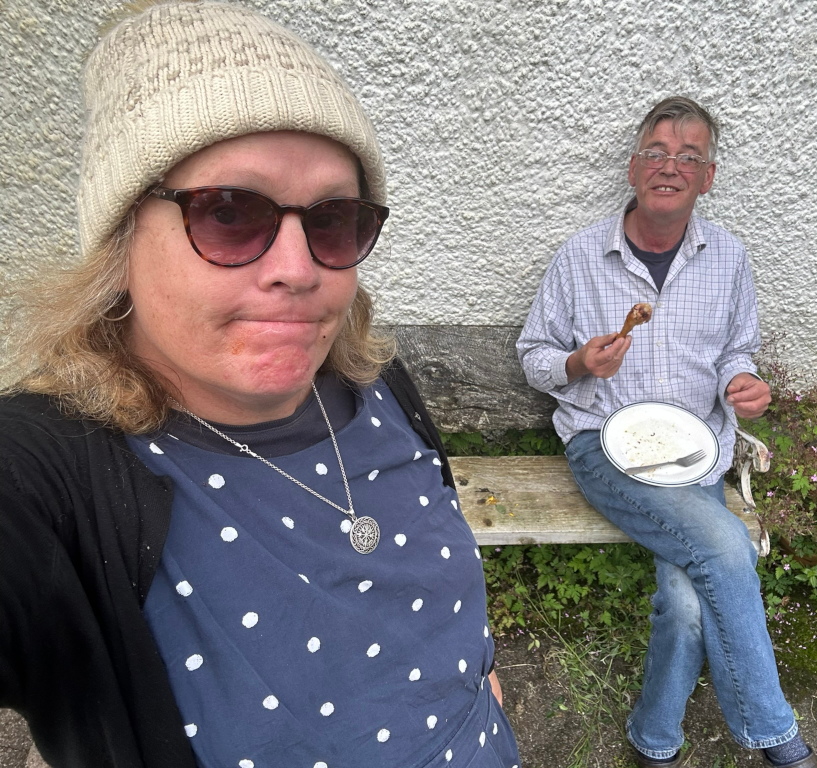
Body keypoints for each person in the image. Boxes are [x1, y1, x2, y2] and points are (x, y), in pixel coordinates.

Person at [0, 4, 520, 768]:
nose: (298, 268)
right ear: (120, 240)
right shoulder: (56, 475)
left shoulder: (375, 384)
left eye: (334, 220)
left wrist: (480, 682)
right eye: (231, 213)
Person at [517, 97, 817, 768]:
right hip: (603, 446)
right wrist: (576, 363)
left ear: (707, 178)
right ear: (633, 167)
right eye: (656, 151)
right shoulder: (579, 257)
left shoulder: (729, 258)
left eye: (689, 156)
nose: (670, 166)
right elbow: (534, 357)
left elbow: (738, 349)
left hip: (694, 454)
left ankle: (654, 741)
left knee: (685, 599)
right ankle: (775, 737)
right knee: (726, 544)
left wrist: (746, 384)